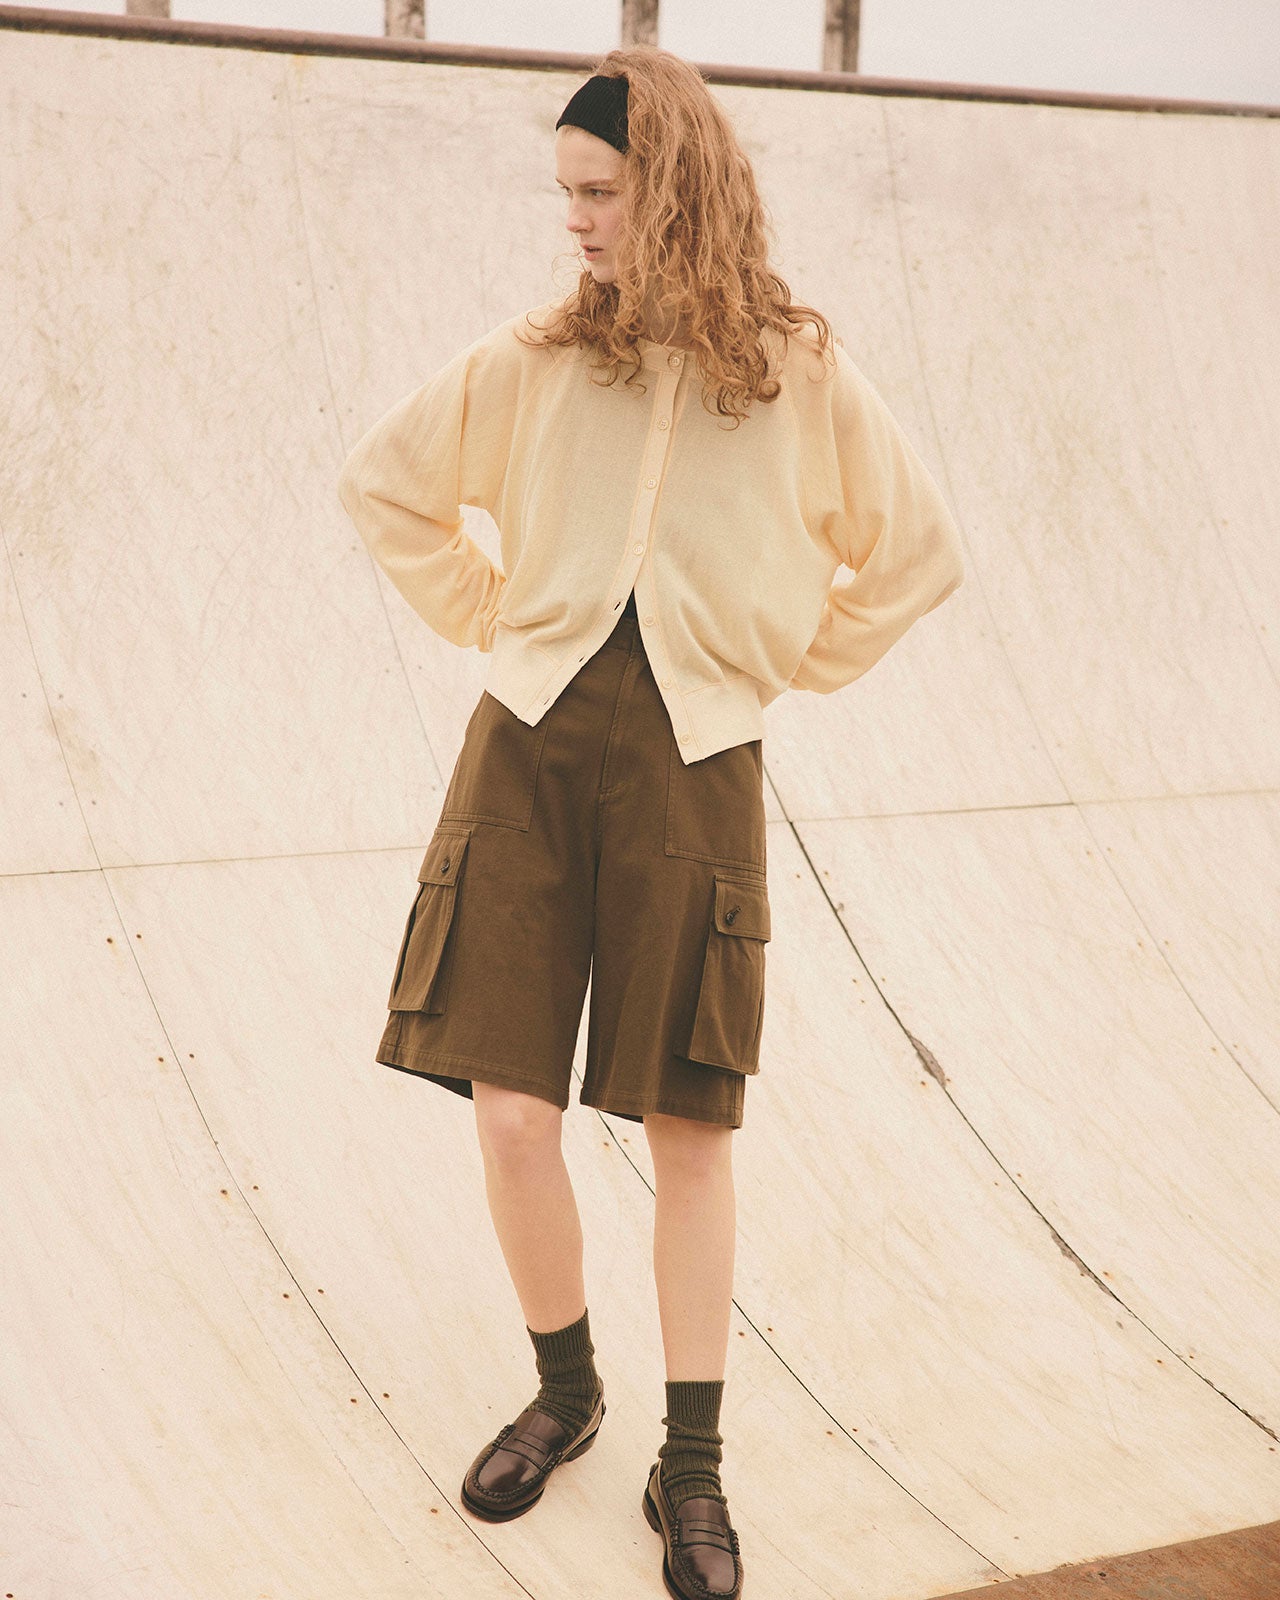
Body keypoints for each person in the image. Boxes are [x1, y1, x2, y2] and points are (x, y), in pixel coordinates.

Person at [337, 44, 964, 1600]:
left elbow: (916, 554)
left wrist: (775, 661)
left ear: (674, 186)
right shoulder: (542, 356)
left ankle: (691, 1462)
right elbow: (386, 484)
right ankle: (567, 1390)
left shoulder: (798, 375)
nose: (575, 220)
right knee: (509, 1113)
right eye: (566, 192)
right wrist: (495, 613)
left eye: (601, 191)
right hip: (528, 751)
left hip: (696, 765)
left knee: (690, 1132)